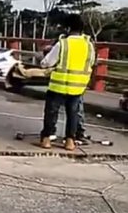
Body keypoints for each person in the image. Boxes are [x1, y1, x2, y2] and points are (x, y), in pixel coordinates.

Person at [39, 14, 96, 151]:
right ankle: (70, 141)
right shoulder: (88, 45)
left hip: (58, 85)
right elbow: (91, 62)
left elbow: (47, 62)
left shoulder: (63, 44)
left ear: (68, 28)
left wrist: (43, 60)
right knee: (73, 114)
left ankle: (47, 139)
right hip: (77, 87)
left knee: (52, 112)